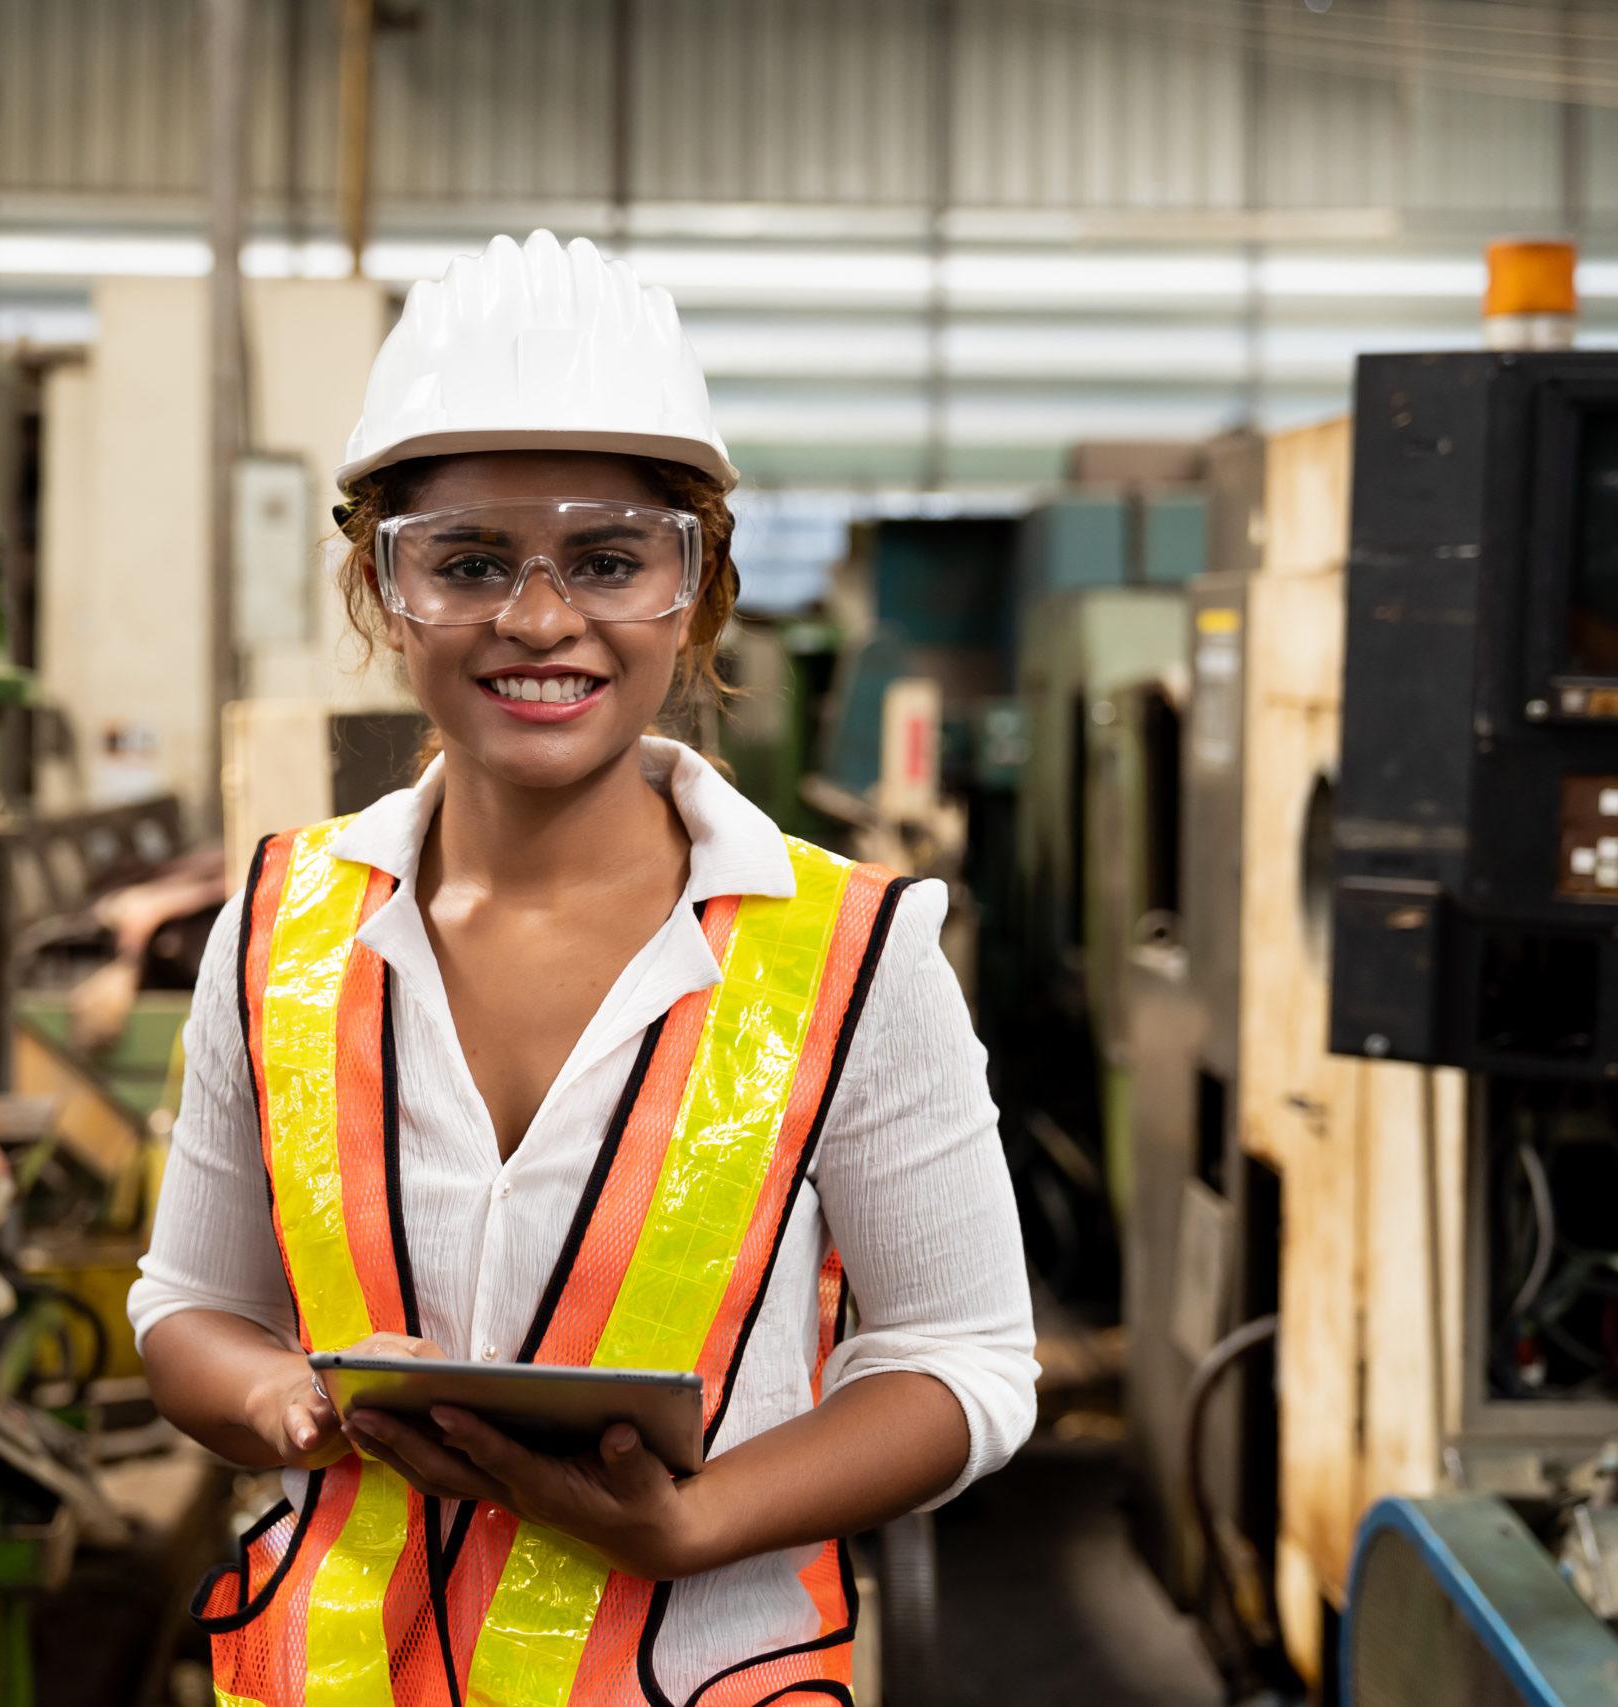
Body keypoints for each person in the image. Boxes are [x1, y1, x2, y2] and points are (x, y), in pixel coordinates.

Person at [132, 230, 1036, 1707]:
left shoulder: (854, 959)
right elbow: (185, 1307)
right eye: (468, 564)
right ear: (381, 589)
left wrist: (697, 1525)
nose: (540, 621)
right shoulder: (280, 928)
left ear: (702, 594)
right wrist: (279, 1400)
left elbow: (968, 1361)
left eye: (612, 562)